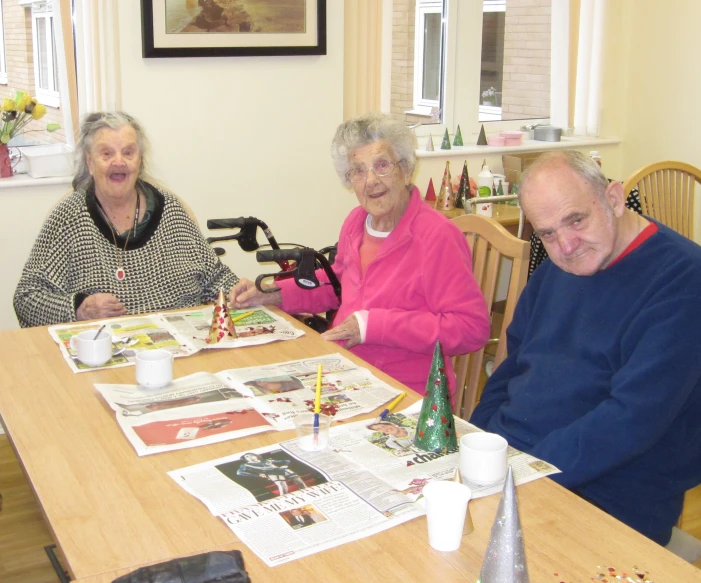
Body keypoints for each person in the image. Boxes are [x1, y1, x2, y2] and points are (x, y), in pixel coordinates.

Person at [470, 150, 701, 547]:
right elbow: (511, 366)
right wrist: (479, 440)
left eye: (576, 219)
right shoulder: (558, 268)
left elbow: (629, 421)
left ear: (613, 198)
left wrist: (522, 474)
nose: (566, 244)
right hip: (518, 464)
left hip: (610, 489)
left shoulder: (684, 279)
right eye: (547, 233)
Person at [231, 112, 490, 397]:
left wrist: (372, 326)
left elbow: (470, 329)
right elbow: (337, 282)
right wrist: (272, 293)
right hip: (347, 373)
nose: (371, 181)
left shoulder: (437, 236)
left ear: (405, 170)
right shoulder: (356, 222)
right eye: (358, 170)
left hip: (406, 392)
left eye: (382, 165)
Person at [14, 112, 238, 328]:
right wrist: (78, 309)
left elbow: (215, 279)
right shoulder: (68, 218)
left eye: (128, 152)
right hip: (104, 353)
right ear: (90, 163)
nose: (119, 162)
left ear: (139, 161)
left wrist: (241, 292)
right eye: (107, 154)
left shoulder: (172, 210)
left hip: (182, 348)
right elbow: (26, 299)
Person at [236, 453, 307, 495]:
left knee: (299, 481)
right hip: (271, 473)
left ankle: (305, 492)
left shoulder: (267, 461)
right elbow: (239, 472)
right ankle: (284, 498)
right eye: (247, 457)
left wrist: (285, 466)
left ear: (256, 456)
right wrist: (258, 475)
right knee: (283, 486)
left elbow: (286, 461)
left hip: (281, 470)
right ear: (246, 459)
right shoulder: (246, 465)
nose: (250, 457)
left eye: (251, 455)